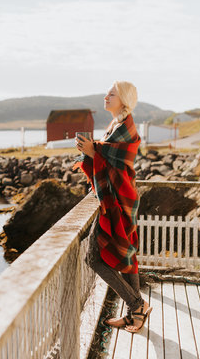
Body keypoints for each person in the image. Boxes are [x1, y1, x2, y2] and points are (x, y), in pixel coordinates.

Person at [73, 81, 152, 333]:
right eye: (107, 92)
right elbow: (107, 157)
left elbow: (120, 160)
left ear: (124, 99)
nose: (106, 96)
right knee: (126, 255)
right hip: (117, 198)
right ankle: (135, 313)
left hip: (119, 199)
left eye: (112, 93)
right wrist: (92, 151)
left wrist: (94, 150)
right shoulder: (115, 124)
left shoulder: (126, 127)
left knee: (92, 258)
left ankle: (136, 304)